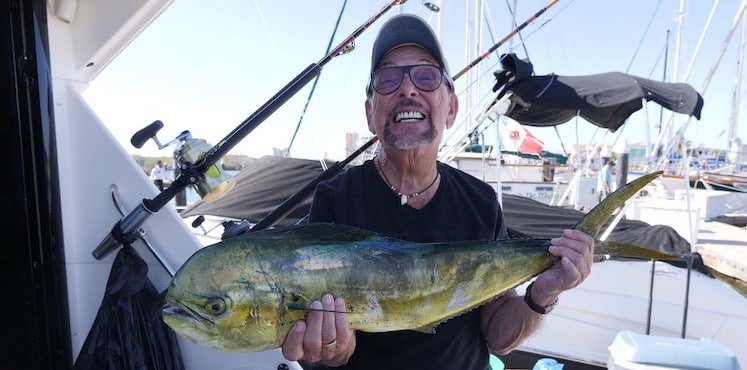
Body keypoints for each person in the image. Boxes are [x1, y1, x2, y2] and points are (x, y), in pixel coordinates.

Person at [280, 14, 595, 370]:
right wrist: (332, 346)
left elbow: (498, 336)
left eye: (426, 76)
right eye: (388, 79)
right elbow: (337, 348)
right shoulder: (335, 198)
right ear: (370, 114)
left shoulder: (480, 202)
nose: (408, 89)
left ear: (451, 108)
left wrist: (544, 293)